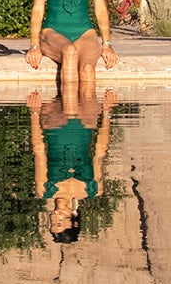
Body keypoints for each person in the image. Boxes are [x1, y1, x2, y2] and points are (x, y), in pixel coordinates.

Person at [28, 89, 116, 244]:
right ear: (74, 221)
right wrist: (107, 112)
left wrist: (35, 113)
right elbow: (100, 151)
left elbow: (39, 150)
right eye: (59, 222)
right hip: (85, 123)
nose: (54, 217)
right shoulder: (94, 189)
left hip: (54, 124)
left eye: (52, 223)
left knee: (71, 77)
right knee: (86, 74)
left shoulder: (45, 190)